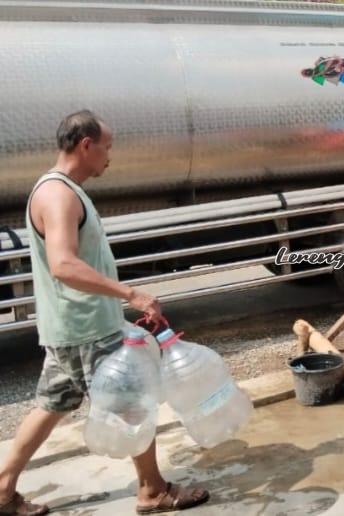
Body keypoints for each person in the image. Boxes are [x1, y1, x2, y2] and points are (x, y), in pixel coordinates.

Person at [0, 111, 210, 516]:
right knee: (134, 400)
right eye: (107, 147)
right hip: (85, 330)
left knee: (52, 404)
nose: (109, 156)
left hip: (75, 326)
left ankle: (3, 490)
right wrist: (130, 293)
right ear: (85, 145)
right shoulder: (59, 195)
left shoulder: (61, 190)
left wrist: (114, 312)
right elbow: (63, 264)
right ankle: (152, 491)